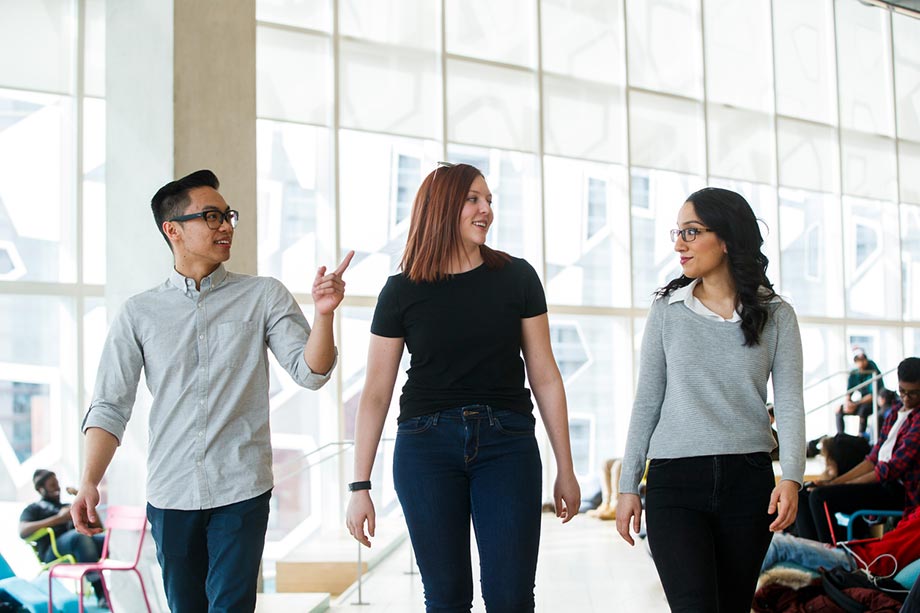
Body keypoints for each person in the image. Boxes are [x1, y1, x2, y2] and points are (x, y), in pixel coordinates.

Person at [70, 169, 353, 613]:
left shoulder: (263, 295)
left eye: (227, 216)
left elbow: (310, 372)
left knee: (231, 607)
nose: (225, 226)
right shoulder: (139, 313)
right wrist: (89, 480)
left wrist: (323, 316)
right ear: (173, 230)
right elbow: (110, 404)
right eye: (211, 216)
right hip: (170, 492)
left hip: (241, 487)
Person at [344, 162, 580, 613]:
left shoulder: (518, 277)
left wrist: (565, 467)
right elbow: (376, 391)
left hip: (507, 445)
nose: (486, 209)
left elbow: (545, 374)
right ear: (443, 207)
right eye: (473, 198)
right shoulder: (400, 291)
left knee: (511, 599)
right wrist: (359, 486)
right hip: (425, 448)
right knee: (447, 598)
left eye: (489, 200)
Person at [615, 187, 806, 613]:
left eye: (691, 232)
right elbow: (647, 400)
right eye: (677, 233)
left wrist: (792, 477)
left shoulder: (776, 314)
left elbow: (790, 402)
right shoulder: (667, 309)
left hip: (749, 482)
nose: (678, 244)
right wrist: (628, 485)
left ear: (726, 238)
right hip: (674, 484)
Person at [795, 357, 920, 545]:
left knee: (820, 497)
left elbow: (888, 470)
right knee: (803, 492)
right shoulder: (895, 412)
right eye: (902, 391)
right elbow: (872, 459)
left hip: (899, 491)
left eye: (914, 394)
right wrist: (834, 482)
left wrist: (836, 485)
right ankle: (812, 555)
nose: (906, 398)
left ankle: (833, 560)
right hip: (880, 483)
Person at [20, 469, 108, 608]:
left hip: (80, 544)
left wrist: (84, 500)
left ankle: (124, 588)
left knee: (107, 541)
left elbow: (98, 527)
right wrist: (59, 519)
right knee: (80, 537)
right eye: (52, 485)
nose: (57, 488)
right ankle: (100, 592)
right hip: (53, 551)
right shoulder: (34, 509)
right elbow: (23, 530)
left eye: (57, 484)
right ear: (41, 489)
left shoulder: (67, 507)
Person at [763, 506, 920, 580]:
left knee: (778, 545)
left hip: (862, 566)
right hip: (855, 551)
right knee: (780, 540)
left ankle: (739, 592)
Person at [836, 350, 884, 436]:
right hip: (860, 402)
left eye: (862, 360)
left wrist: (856, 403)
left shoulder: (872, 370)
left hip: (873, 402)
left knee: (863, 410)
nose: (861, 363)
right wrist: (848, 403)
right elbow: (849, 391)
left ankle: (861, 436)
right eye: (858, 360)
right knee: (839, 410)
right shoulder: (855, 372)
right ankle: (840, 436)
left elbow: (872, 395)